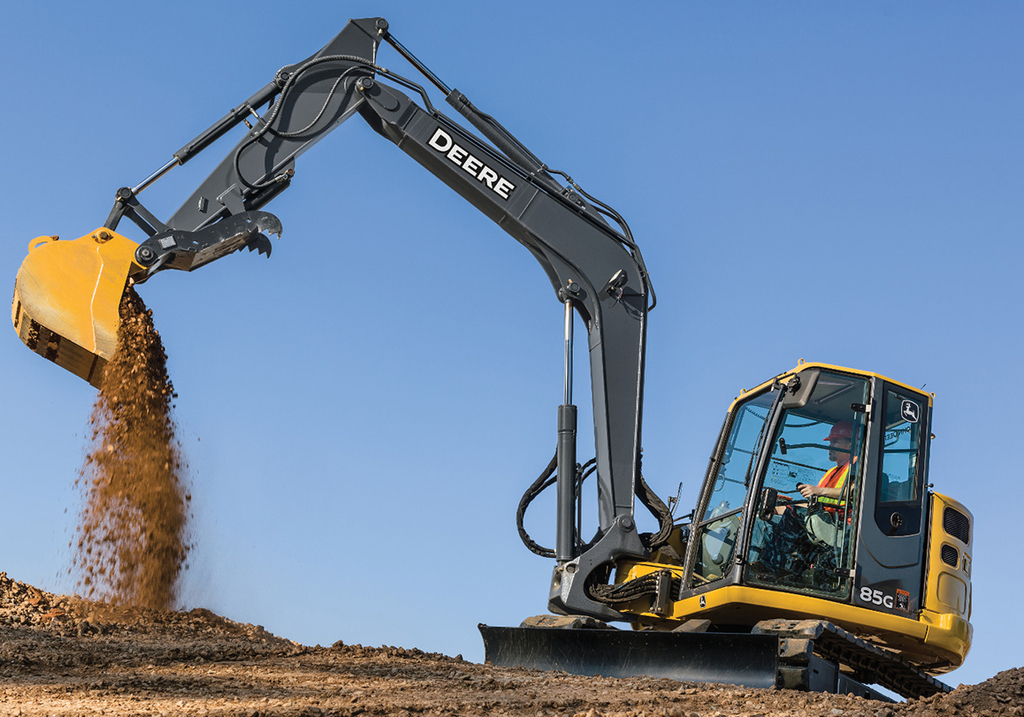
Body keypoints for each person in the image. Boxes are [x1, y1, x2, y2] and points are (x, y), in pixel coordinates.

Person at [798, 421, 854, 545]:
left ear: (850, 444)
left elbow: (857, 492)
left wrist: (820, 491)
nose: (830, 446)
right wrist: (786, 505)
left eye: (835, 442)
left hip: (843, 525)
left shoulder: (858, 465)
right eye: (830, 442)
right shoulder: (831, 472)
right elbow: (817, 503)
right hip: (826, 520)